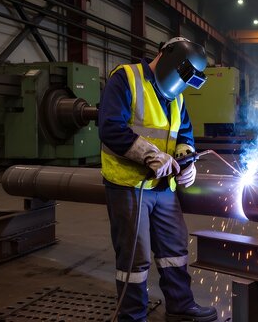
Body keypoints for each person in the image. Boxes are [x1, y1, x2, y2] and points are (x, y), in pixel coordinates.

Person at [98, 37, 217, 322]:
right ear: (166, 56)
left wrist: (187, 159)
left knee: (174, 248)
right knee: (134, 258)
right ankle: (132, 315)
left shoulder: (177, 95)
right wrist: (150, 155)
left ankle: (180, 305)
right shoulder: (126, 78)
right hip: (129, 186)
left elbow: (184, 133)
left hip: (164, 188)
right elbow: (109, 127)